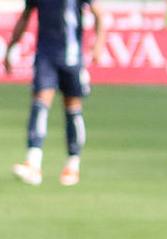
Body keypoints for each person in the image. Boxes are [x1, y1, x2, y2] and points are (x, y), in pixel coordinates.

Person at [4, 0, 104, 186]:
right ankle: (33, 162)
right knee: (40, 102)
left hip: (71, 57)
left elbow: (98, 13)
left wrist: (98, 44)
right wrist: (12, 47)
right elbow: (25, 17)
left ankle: (73, 163)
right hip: (46, 56)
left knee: (73, 108)